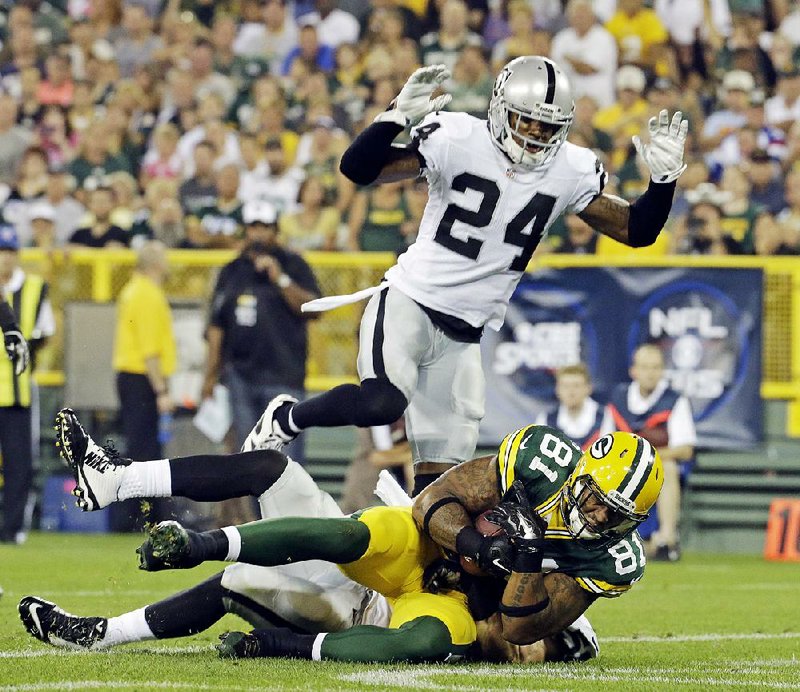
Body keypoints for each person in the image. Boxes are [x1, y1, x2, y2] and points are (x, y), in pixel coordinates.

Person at [243, 56, 689, 497]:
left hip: (464, 336)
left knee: (439, 493)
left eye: (546, 128)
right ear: (498, 108)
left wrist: (664, 181)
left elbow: (635, 230)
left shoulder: (570, 169)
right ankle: (288, 419)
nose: (534, 136)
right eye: (525, 121)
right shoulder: (457, 136)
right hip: (410, 301)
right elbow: (358, 169)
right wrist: (394, 116)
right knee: (382, 400)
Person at [22, 408, 652, 664]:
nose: (599, 518)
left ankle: (103, 634)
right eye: (599, 499)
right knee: (274, 471)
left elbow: (507, 633)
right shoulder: (541, 462)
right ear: (583, 472)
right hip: (412, 548)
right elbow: (435, 502)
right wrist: (476, 546)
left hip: (402, 607)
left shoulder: (593, 577)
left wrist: (530, 556)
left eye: (615, 514)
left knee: (243, 583)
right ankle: (119, 480)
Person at [200, 201, 320, 461]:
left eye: (264, 227)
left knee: (287, 464)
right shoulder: (232, 271)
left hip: (284, 377)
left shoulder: (294, 264)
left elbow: (314, 309)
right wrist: (210, 376)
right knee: (250, 462)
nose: (258, 233)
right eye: (253, 226)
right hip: (241, 378)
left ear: (275, 230)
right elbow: (216, 325)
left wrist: (281, 279)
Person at [605, 343, 695, 562]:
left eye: (655, 367)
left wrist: (645, 456)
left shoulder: (674, 400)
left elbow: (685, 450)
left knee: (669, 467)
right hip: (622, 469)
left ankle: (666, 539)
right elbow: (605, 443)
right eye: (645, 367)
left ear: (663, 371)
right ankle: (605, 539)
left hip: (655, 468)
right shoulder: (618, 398)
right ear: (633, 371)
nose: (650, 373)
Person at [110, 240, 176, 530]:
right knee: (144, 452)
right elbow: (149, 350)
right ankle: (141, 517)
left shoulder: (134, 290)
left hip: (132, 377)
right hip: (141, 379)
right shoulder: (147, 295)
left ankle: (143, 516)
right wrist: (161, 390)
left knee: (140, 448)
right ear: (156, 264)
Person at [0, 224, 54, 544]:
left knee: (20, 463)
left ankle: (14, 527)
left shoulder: (34, 287)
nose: (5, 258)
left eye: (9, 251)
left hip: (18, 389)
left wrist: (26, 353)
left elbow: (45, 332)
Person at [534, 363, 607, 449]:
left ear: (588, 388)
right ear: (557, 389)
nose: (571, 392)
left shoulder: (605, 417)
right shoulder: (546, 420)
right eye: (565, 386)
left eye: (576, 386)